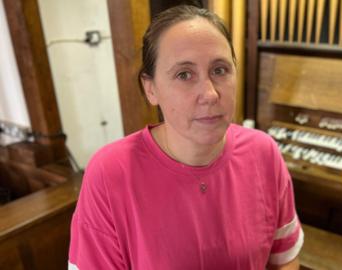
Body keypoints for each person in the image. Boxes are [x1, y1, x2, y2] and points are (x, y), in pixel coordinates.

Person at [68, 5, 303, 270]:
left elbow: (285, 257)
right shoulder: (110, 173)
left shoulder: (264, 152)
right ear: (151, 89)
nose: (211, 94)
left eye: (220, 70)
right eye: (184, 74)